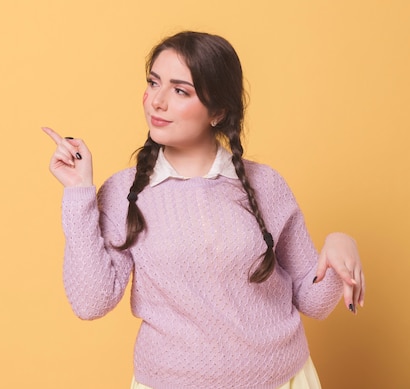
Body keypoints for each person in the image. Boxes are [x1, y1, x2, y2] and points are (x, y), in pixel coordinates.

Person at [42, 31, 365, 389]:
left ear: (219, 112)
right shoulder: (123, 192)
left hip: (281, 379)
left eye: (180, 90)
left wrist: (339, 247)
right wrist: (78, 193)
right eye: (153, 82)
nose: (157, 102)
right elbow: (91, 302)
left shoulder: (265, 185)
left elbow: (313, 301)